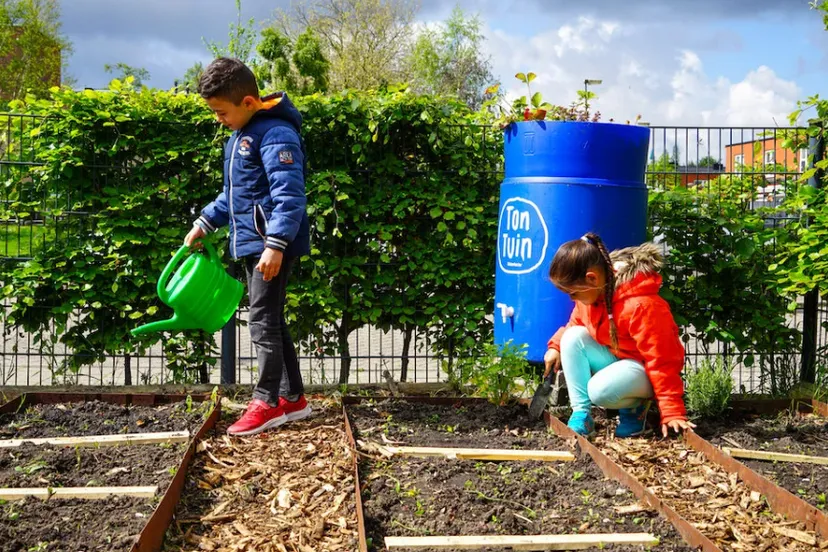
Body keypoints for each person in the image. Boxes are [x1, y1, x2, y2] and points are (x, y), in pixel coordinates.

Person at [184, 57, 312, 436]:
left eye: (221, 112)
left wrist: (275, 244)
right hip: (255, 243)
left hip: (270, 246)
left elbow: (290, 195)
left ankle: (266, 402)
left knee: (261, 322)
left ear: (248, 103)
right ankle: (293, 398)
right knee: (271, 318)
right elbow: (233, 195)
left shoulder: (275, 134)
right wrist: (205, 222)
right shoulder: (241, 136)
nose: (218, 119)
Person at [543, 232, 695, 438]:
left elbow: (663, 359)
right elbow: (576, 323)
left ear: (592, 278)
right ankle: (581, 413)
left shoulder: (641, 305)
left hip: (645, 371)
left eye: (573, 292)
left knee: (599, 391)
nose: (572, 298)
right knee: (572, 337)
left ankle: (636, 408)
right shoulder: (593, 293)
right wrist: (556, 346)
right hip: (619, 361)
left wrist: (671, 410)